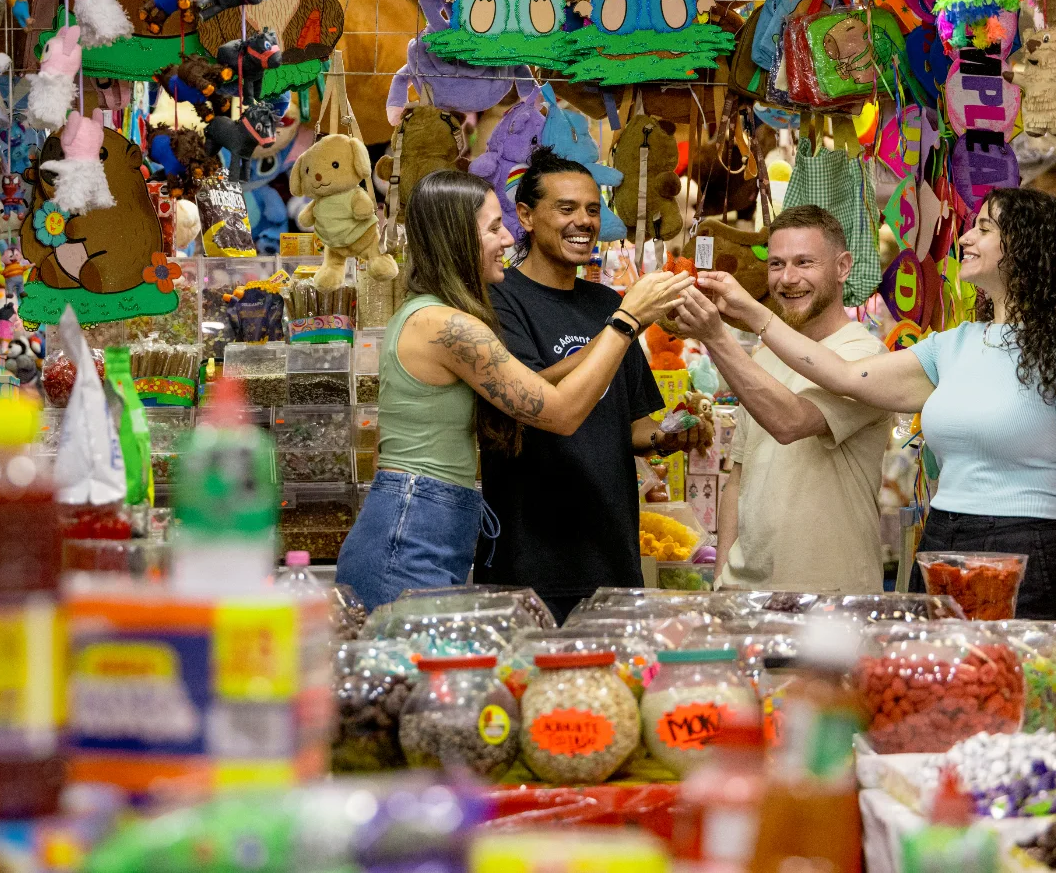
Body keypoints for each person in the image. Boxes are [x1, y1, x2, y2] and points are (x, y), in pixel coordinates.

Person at [678, 187, 1056, 621]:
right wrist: (751, 317)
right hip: (943, 537)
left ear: (1026, 245)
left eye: (983, 229)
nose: (965, 239)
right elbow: (844, 376)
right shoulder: (953, 345)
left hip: (1027, 543)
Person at [335, 168, 692, 610]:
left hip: (430, 523)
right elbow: (560, 413)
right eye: (492, 228)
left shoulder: (440, 315)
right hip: (411, 528)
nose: (506, 240)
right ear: (457, 237)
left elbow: (538, 386)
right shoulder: (445, 326)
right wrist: (627, 320)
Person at [477, 149, 704, 623]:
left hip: (612, 557)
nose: (583, 221)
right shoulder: (501, 299)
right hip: (531, 557)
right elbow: (525, 393)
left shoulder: (605, 301)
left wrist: (670, 435)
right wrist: (624, 324)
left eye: (593, 209)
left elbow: (633, 425)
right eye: (566, 208)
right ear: (526, 216)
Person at [669, 205, 891, 593]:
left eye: (805, 262)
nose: (788, 279)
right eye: (776, 264)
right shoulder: (764, 354)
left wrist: (717, 335)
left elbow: (791, 422)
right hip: (745, 592)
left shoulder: (866, 356)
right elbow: (738, 476)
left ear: (842, 267)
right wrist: (723, 579)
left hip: (830, 592)